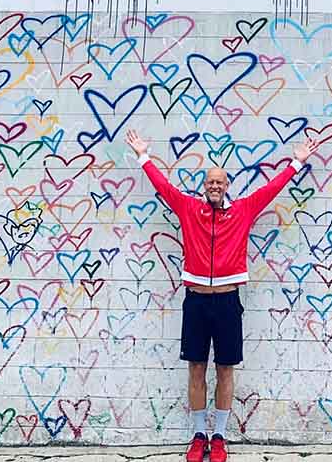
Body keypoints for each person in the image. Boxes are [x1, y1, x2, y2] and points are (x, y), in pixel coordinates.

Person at [124, 128, 318, 462]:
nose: (215, 186)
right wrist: (143, 156)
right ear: (205, 186)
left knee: (226, 369)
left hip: (228, 301)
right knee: (196, 368)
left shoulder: (243, 210)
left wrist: (296, 163)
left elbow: (271, 189)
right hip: (196, 300)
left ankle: (220, 437)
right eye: (210, 182)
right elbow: (163, 186)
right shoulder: (188, 208)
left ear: (227, 186)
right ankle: (199, 436)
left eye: (220, 182)